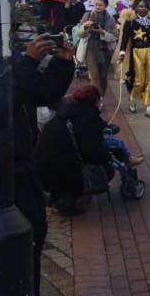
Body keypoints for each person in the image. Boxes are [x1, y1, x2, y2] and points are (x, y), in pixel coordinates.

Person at [12, 32, 81, 296]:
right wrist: (28, 62)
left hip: (20, 164)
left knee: (32, 239)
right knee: (21, 246)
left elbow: (39, 93)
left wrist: (61, 64)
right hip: (0, 171)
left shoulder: (3, 54)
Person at [34, 84, 143, 215]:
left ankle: (61, 196)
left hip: (41, 172)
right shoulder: (88, 119)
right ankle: (70, 200)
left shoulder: (66, 113)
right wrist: (109, 158)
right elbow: (93, 153)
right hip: (60, 174)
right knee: (106, 169)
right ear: (95, 101)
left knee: (67, 160)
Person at [117, 0, 150, 119]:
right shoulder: (130, 22)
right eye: (140, 6)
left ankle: (148, 106)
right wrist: (122, 53)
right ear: (135, 7)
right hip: (137, 52)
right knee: (139, 80)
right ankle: (132, 97)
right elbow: (125, 38)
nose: (143, 9)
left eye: (146, 6)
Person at [76, 0, 117, 108]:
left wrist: (102, 32)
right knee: (94, 76)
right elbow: (79, 34)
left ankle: (101, 96)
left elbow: (114, 36)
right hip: (90, 47)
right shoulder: (88, 15)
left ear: (106, 6)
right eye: (96, 5)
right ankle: (95, 100)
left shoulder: (110, 19)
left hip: (105, 49)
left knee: (103, 77)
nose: (98, 7)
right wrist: (85, 27)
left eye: (100, 5)